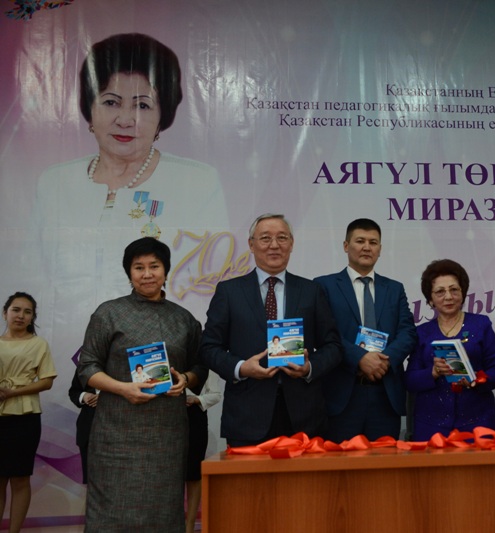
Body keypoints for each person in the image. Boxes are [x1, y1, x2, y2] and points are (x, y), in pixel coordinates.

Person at [30, 32, 227, 345]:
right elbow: (37, 275)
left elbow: (207, 285)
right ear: (89, 107)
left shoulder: (197, 182)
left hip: (160, 346)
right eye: (111, 102)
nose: (125, 119)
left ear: (163, 115)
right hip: (67, 342)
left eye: (143, 106)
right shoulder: (54, 182)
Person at [77, 237, 207, 532]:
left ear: (165, 270)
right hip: (116, 434)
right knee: (111, 515)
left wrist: (185, 379)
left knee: (163, 514)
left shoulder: (184, 319)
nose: (147, 274)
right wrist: (123, 388)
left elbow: (200, 367)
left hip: (167, 436)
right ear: (129, 273)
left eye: (154, 266)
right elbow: (87, 367)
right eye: (139, 267)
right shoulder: (108, 313)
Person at [200, 214, 343, 446]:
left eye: (282, 238)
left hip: (304, 416)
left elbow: (333, 346)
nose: (274, 245)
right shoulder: (229, 292)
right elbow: (208, 348)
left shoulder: (311, 291)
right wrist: (241, 368)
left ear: (291, 244)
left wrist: (309, 368)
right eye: (265, 238)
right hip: (247, 416)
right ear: (251, 244)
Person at [314, 218, 417, 441]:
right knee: (340, 461)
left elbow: (408, 332)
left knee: (385, 461)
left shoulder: (394, 288)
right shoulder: (324, 286)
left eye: (373, 242)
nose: (367, 247)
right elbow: (323, 333)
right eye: (360, 241)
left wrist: (384, 361)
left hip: (385, 394)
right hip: (341, 395)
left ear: (380, 249)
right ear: (346, 246)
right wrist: (360, 358)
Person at [405, 259, 495, 441]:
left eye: (454, 289)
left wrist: (475, 379)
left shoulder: (481, 324)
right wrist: (433, 372)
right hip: (431, 426)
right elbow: (410, 380)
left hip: (477, 423)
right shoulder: (421, 332)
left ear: (463, 293)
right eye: (440, 292)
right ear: (430, 299)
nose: (448, 296)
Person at [0, 292, 56, 533]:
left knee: (20, 478)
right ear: (5, 312)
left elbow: (47, 381)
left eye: (27, 312)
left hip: (25, 417)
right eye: (16, 310)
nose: (20, 315)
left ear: (33, 317)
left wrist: (13, 392)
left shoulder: (38, 344)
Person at [184, 372, 222, 533]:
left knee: (193, 473)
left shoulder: (204, 364)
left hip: (195, 415)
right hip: (166, 415)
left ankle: (189, 526)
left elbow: (216, 395)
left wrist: (197, 399)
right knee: (169, 473)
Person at [67, 366, 98, 484]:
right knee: (92, 484)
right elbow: (74, 391)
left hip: (123, 433)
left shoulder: (130, 360)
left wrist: (106, 398)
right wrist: (84, 396)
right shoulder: (86, 363)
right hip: (88, 431)